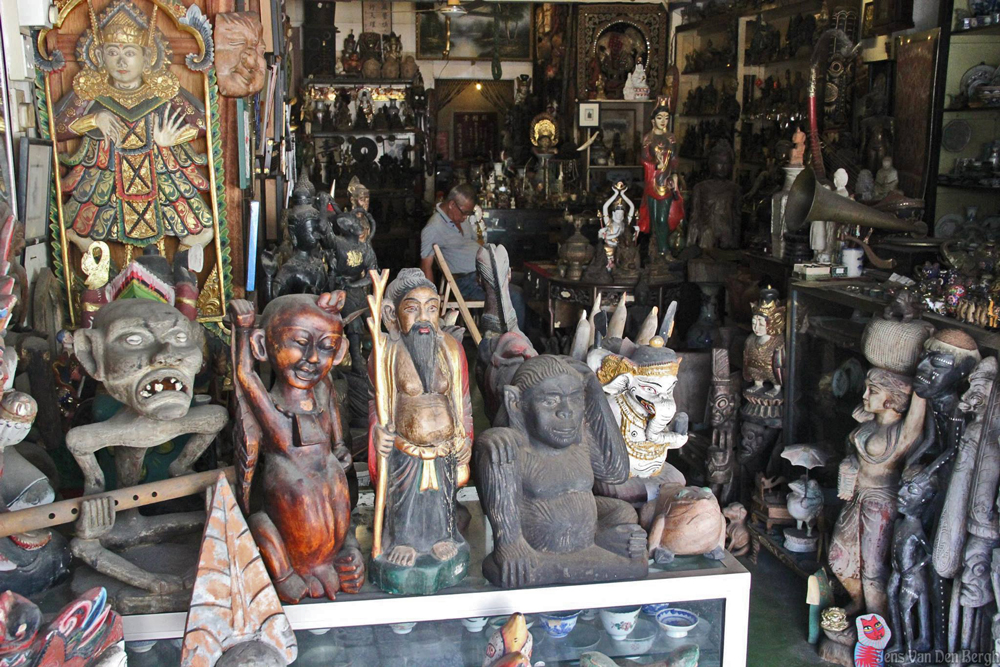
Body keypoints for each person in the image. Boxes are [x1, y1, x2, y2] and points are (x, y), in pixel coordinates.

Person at [420, 184, 526, 330]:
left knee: (528, 281)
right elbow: (426, 267)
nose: (465, 218)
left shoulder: (461, 220)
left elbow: (474, 243)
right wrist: (431, 302)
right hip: (467, 281)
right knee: (516, 294)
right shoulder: (433, 228)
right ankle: (515, 344)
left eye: (469, 214)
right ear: (451, 204)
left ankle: (520, 332)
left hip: (485, 272)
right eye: (464, 213)